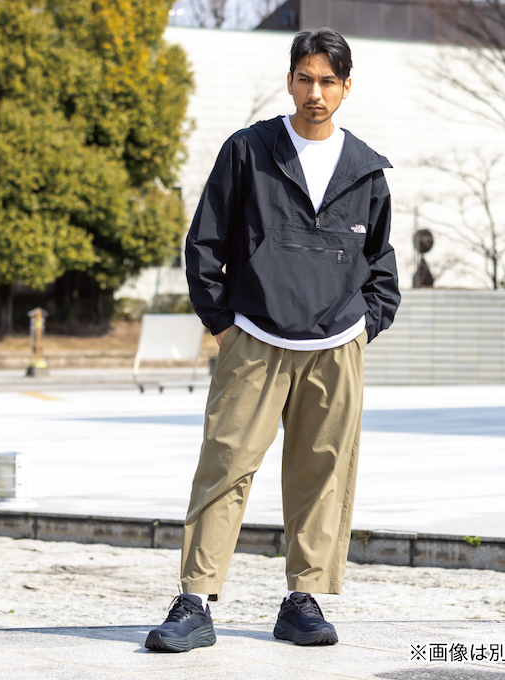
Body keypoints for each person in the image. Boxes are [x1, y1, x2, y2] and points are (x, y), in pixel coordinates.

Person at [145, 27, 400, 652]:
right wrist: (223, 323)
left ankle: (303, 600)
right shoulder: (249, 150)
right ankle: (195, 601)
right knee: (225, 465)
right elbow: (204, 242)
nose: (316, 92)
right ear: (289, 81)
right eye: (305, 78)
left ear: (346, 88)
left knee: (323, 474)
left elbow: (380, 260)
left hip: (336, 344)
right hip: (254, 337)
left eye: (328, 81)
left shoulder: (366, 169)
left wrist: (367, 322)